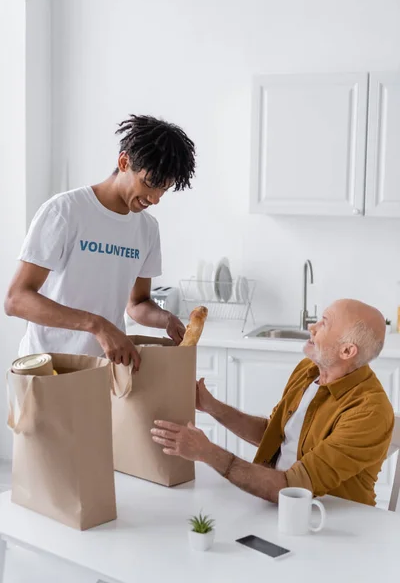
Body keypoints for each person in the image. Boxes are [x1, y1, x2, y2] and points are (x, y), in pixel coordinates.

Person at [151, 299, 394, 506]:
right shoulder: (309, 371)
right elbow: (274, 435)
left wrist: (206, 452)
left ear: (347, 351)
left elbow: (290, 488)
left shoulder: (369, 412)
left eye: (324, 324)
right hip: (275, 503)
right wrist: (211, 406)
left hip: (328, 519)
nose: (312, 327)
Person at [4, 115, 196, 367]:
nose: (155, 198)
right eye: (150, 184)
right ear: (124, 161)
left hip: (104, 371)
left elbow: (137, 304)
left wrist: (165, 319)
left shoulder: (147, 229)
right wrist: (96, 325)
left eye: (164, 189)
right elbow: (16, 300)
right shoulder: (66, 211)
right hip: (47, 369)